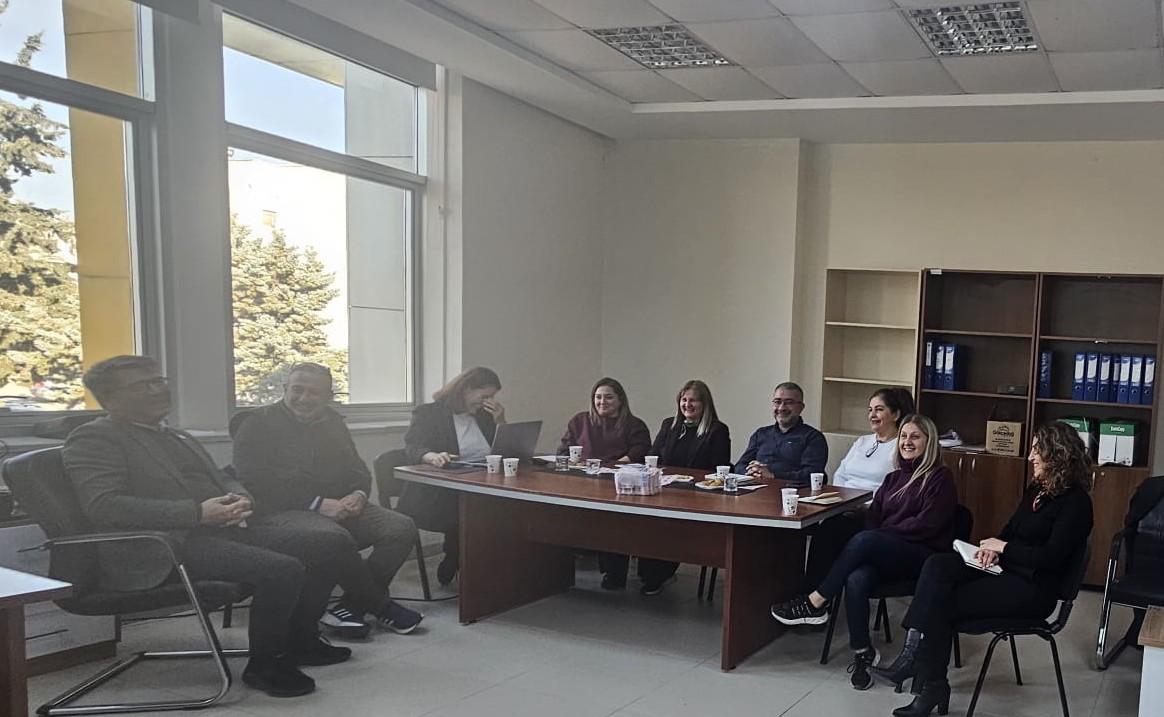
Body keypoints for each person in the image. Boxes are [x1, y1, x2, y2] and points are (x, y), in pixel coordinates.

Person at [63, 356, 351, 698]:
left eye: (158, 381)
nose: (158, 390)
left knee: (331, 544)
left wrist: (241, 497)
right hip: (161, 546)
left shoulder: (175, 435)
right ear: (110, 398)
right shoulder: (94, 438)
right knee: (282, 569)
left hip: (216, 531)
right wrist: (197, 513)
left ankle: (301, 640)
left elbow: (224, 477)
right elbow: (104, 505)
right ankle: (266, 665)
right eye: (143, 386)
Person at [872, 422, 1093, 717]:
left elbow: (1052, 558)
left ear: (1058, 454)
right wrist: (992, 548)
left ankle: (929, 683)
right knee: (938, 565)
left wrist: (1005, 549)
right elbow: (1011, 529)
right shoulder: (1037, 489)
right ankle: (914, 657)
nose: (1030, 457)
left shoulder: (1077, 503)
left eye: (1037, 450)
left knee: (943, 601)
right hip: (1007, 569)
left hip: (1034, 589)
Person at [232, 362, 423, 638]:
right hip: (280, 511)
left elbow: (358, 469)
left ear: (328, 396)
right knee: (332, 537)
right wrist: (317, 503)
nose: (304, 398)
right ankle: (379, 604)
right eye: (297, 390)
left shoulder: (333, 422)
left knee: (401, 527)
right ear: (285, 389)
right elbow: (254, 482)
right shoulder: (255, 423)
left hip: (338, 504)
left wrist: (358, 494)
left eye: (314, 392)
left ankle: (350, 607)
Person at [771, 415, 957, 691]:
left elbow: (927, 525)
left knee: (866, 539)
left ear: (929, 443)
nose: (907, 442)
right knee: (856, 577)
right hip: (888, 550)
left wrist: (882, 535)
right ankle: (863, 652)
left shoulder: (940, 478)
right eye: (904, 436)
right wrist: (879, 536)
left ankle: (816, 601)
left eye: (915, 437)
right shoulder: (893, 479)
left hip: (922, 556)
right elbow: (874, 519)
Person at [400, 366, 506, 586]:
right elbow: (413, 446)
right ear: (466, 389)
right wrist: (432, 456)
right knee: (476, 514)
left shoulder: (485, 416)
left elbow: (502, 451)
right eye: (485, 396)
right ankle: (457, 557)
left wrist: (500, 421)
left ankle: (497, 566)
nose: (488, 402)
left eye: (492, 397)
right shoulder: (428, 413)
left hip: (482, 484)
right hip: (439, 492)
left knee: (512, 509)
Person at [801, 388, 916, 590]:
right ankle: (810, 592)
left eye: (879, 409)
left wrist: (866, 507)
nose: (872, 415)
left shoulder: (902, 446)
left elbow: (897, 489)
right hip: (843, 506)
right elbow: (841, 473)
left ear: (896, 414)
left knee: (829, 532)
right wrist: (840, 500)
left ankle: (814, 596)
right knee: (826, 529)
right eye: (870, 410)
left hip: (874, 514)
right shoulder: (863, 441)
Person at [639, 379, 731, 596]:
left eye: (693, 401)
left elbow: (720, 468)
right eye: (684, 400)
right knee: (647, 521)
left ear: (704, 404)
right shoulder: (669, 425)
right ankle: (650, 574)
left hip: (698, 496)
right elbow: (653, 456)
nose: (687, 405)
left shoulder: (717, 430)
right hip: (665, 491)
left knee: (669, 527)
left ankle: (658, 574)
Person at [558, 377, 651, 590]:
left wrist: (615, 464)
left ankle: (614, 573)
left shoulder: (634, 425)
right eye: (598, 397)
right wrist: (573, 460)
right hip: (582, 484)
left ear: (620, 400)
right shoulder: (579, 421)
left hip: (616, 486)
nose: (602, 402)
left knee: (613, 522)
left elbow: (641, 449)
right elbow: (563, 450)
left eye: (608, 397)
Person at [733, 381, 827, 486]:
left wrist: (773, 476)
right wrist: (754, 471)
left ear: (801, 407)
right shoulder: (761, 434)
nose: (781, 408)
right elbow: (739, 466)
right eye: (777, 402)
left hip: (792, 492)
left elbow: (811, 475)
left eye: (789, 402)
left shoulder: (813, 437)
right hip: (756, 489)